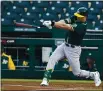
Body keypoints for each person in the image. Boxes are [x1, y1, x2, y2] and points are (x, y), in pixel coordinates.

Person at [40, 7, 101, 87]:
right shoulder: (77, 18)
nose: (78, 17)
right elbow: (64, 21)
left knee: (77, 73)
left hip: (73, 50)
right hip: (64, 45)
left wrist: (53, 23)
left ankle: (93, 74)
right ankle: (45, 79)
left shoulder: (82, 26)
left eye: (80, 16)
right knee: (52, 58)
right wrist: (54, 24)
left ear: (85, 17)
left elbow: (66, 26)